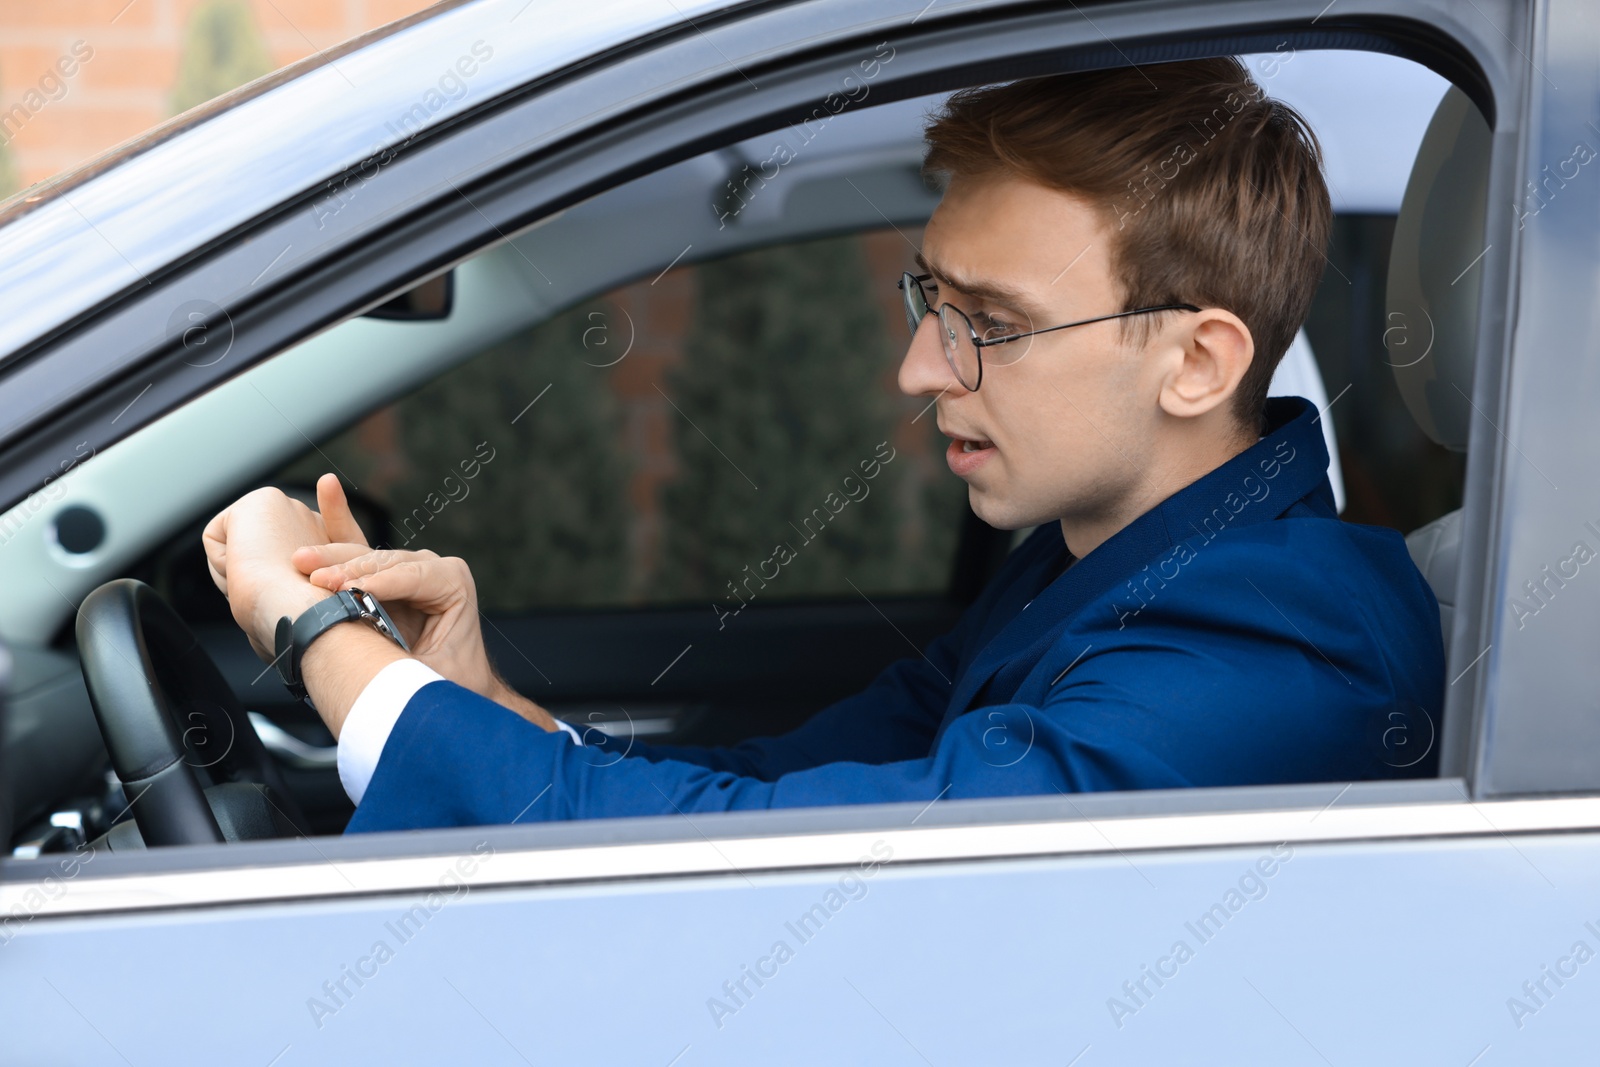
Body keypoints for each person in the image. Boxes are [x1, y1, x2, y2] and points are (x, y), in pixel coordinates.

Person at [203, 58, 1444, 832]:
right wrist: (470, 694)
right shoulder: (1088, 567)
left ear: (1198, 362)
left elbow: (821, 869)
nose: (917, 369)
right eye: (929, 304)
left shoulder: (1285, 634)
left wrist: (313, 631)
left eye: (990, 326)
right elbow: (768, 797)